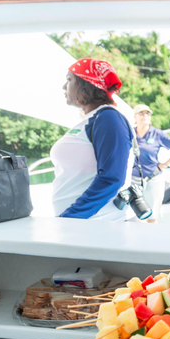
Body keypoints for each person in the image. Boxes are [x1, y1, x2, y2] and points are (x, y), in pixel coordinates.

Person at [51, 58, 134, 221]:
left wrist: (72, 217)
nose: (63, 86)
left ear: (86, 84)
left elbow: (112, 178)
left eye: (69, 80)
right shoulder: (93, 119)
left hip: (97, 224)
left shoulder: (109, 118)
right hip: (83, 224)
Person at [131, 104, 170, 223]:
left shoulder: (156, 134)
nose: (145, 116)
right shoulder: (130, 134)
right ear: (135, 117)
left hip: (153, 178)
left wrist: (165, 164)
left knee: (151, 216)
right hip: (134, 179)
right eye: (141, 113)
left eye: (148, 113)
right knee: (135, 216)